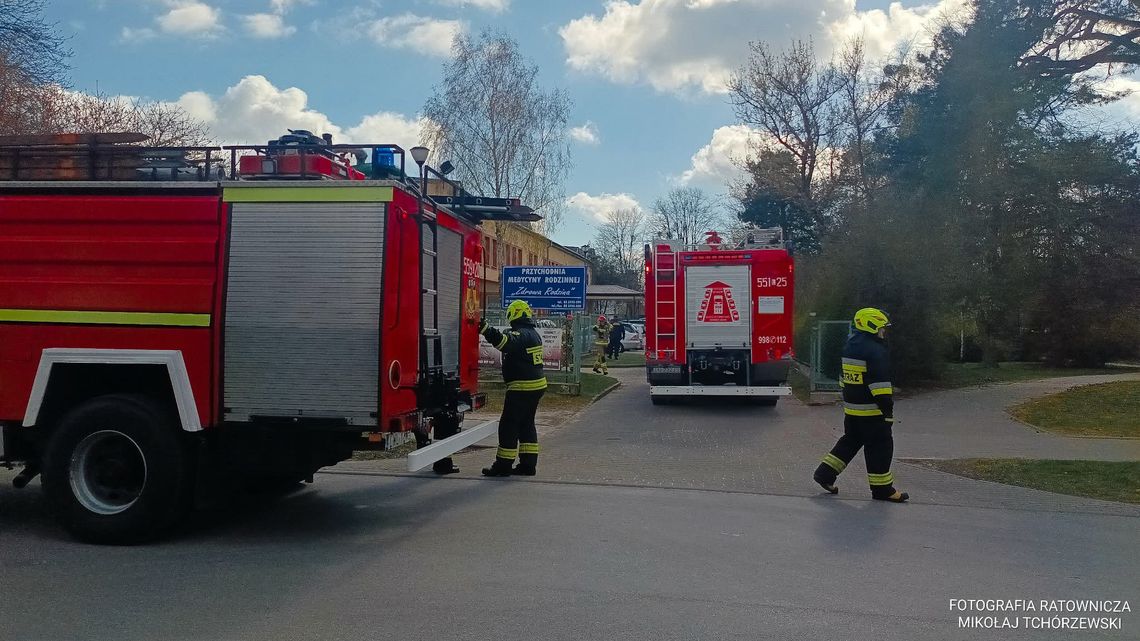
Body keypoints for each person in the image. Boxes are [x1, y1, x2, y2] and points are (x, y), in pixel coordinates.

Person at [812, 307, 909, 503]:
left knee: (850, 442)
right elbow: (880, 386)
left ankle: (825, 474)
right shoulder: (875, 350)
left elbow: (843, 379)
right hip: (872, 412)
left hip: (852, 409)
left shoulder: (851, 345)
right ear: (872, 326)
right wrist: (887, 412)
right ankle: (883, 490)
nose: (884, 332)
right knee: (880, 447)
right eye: (882, 328)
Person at [479, 300, 547, 477]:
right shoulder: (532, 333)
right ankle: (528, 465)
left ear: (513, 314)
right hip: (536, 385)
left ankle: (503, 466)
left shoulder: (521, 333)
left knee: (509, 425)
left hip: (522, 387)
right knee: (526, 424)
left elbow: (504, 343)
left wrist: (486, 329)